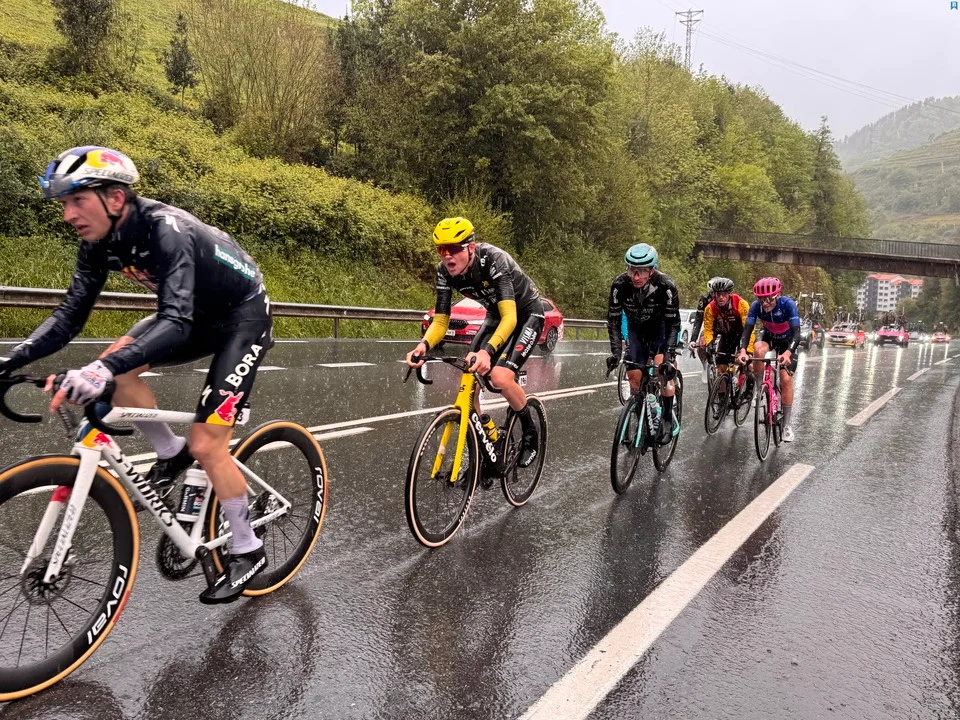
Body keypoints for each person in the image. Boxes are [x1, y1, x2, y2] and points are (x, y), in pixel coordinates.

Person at [0, 146, 272, 604]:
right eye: (63, 203)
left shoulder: (167, 230)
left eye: (76, 200)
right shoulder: (98, 243)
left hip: (240, 319)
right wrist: (10, 361)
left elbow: (176, 321)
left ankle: (248, 548)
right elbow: (69, 317)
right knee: (117, 368)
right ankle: (170, 452)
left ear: (115, 197)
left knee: (208, 444)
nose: (68, 215)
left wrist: (99, 370)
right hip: (190, 314)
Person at [406, 217, 543, 466]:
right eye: (441, 250)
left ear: (471, 247)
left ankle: (530, 434)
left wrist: (487, 352)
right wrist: (423, 346)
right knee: (469, 384)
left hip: (526, 315)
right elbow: (441, 321)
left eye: (454, 249)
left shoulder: (493, 260)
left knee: (499, 377)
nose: (447, 256)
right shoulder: (444, 272)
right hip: (496, 316)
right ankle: (487, 445)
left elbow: (511, 318)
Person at [606, 243, 681, 443]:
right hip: (636, 331)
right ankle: (642, 421)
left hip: (661, 330)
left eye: (641, 272)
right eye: (632, 270)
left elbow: (673, 324)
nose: (636, 277)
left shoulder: (666, 286)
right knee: (634, 378)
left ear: (652, 270)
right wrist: (615, 352)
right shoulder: (619, 285)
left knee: (662, 369)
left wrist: (669, 356)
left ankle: (666, 417)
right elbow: (613, 321)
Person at [736, 277, 801, 443]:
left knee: (785, 379)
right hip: (770, 337)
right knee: (758, 349)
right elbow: (747, 330)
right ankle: (760, 391)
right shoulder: (756, 306)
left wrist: (788, 353)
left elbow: (797, 334)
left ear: (777, 295)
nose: (765, 303)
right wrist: (743, 351)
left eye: (769, 299)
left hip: (788, 342)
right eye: (761, 299)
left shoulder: (788, 305)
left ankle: (787, 426)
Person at [702, 277, 755, 398]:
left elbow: (749, 329)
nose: (721, 297)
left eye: (724, 294)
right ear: (714, 295)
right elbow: (708, 329)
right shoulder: (710, 308)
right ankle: (722, 400)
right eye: (718, 294)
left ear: (730, 294)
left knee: (747, 363)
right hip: (727, 336)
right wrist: (709, 344)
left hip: (743, 335)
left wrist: (748, 350)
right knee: (721, 369)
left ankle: (749, 385)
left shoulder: (741, 304)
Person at [688, 280, 714, 384]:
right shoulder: (704, 300)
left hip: (725, 327)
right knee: (702, 344)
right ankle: (705, 365)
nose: (715, 296)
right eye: (712, 292)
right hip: (709, 328)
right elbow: (698, 321)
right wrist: (693, 340)